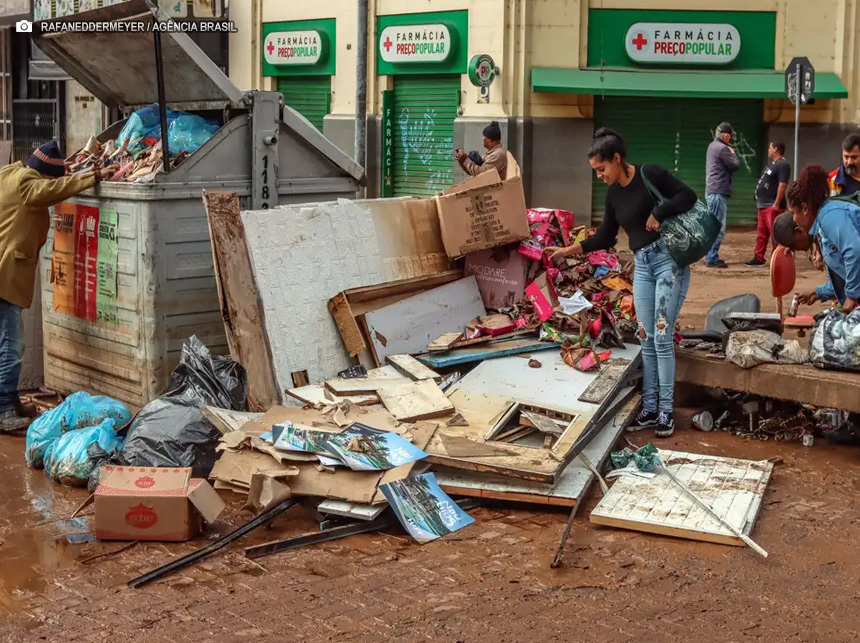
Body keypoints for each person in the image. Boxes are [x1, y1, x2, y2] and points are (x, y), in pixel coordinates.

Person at [546, 128, 696, 438]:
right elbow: (605, 236)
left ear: (617, 159)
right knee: (646, 338)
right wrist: (568, 250)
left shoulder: (650, 174)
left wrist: (660, 210)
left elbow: (688, 196)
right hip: (642, 265)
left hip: (669, 262)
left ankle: (666, 412)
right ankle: (651, 408)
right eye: (596, 171)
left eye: (602, 169)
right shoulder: (613, 193)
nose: (600, 176)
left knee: (662, 336)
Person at [0, 141, 117, 432]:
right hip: (5, 273)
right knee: (11, 347)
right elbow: (48, 192)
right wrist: (92, 177)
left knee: (5, 342)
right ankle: (3, 411)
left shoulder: (10, 173)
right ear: (46, 176)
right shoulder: (29, 185)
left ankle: (9, 400)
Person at [772, 165, 860, 314]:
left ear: (805, 208)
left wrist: (851, 296)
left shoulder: (828, 215)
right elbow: (847, 274)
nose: (794, 218)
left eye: (794, 213)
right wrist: (818, 293)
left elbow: (854, 250)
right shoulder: (822, 227)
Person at [746, 141, 791, 266]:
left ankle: (778, 260)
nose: (768, 150)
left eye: (770, 147)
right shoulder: (771, 165)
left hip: (772, 206)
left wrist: (776, 204)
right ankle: (759, 257)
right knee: (761, 234)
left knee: (775, 234)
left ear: (776, 149)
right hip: (762, 205)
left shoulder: (783, 164)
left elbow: (782, 185)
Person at [704, 122, 740, 268]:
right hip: (718, 192)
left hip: (712, 191)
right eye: (730, 136)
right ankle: (711, 257)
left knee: (713, 225)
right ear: (725, 136)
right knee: (718, 227)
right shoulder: (723, 149)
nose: (731, 139)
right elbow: (735, 165)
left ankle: (710, 255)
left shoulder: (712, 146)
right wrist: (732, 153)